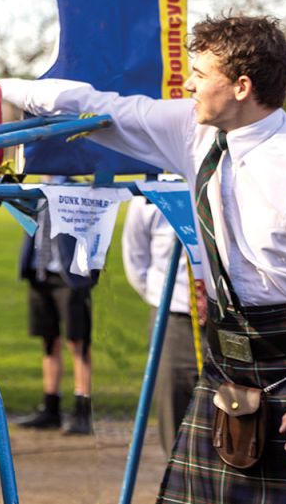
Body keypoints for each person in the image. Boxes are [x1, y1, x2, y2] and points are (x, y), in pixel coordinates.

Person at [1, 15, 286, 502]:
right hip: (226, 366)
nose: (187, 84)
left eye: (199, 75)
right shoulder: (193, 132)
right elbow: (101, 108)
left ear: (241, 86)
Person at [15, 186, 99, 435]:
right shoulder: (33, 189)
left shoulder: (78, 187)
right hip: (40, 274)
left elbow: (94, 230)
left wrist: (88, 272)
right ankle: (51, 406)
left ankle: (83, 408)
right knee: (48, 342)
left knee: (78, 342)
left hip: (70, 276)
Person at [121, 194, 200, 453]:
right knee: (173, 402)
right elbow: (136, 261)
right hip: (173, 317)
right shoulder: (148, 200)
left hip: (228, 317)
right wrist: (163, 299)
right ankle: (178, 481)